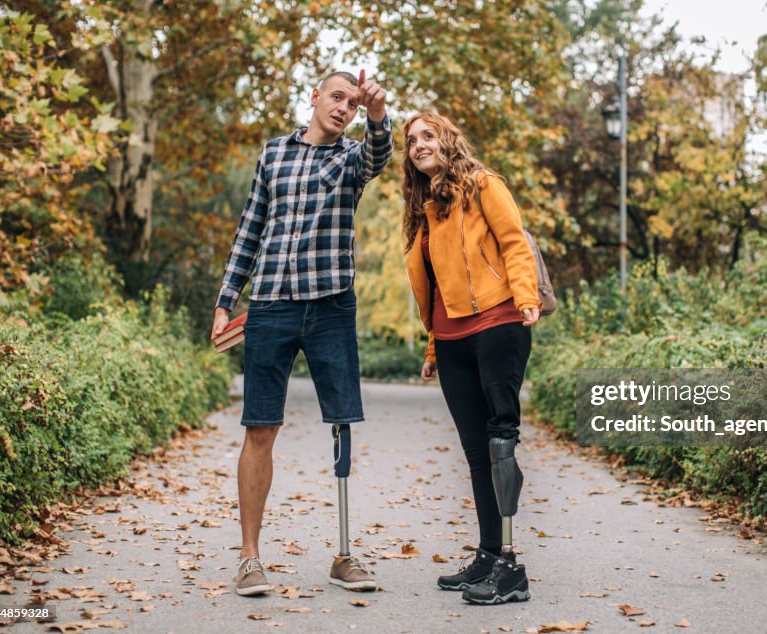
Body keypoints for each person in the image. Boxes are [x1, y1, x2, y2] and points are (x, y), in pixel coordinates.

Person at [212, 70, 390, 596]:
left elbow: (379, 156)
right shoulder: (273, 155)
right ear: (315, 97)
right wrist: (227, 300)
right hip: (270, 304)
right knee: (260, 426)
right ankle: (249, 558)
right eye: (337, 98)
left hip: (331, 304)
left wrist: (378, 115)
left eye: (352, 105)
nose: (343, 109)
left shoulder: (352, 158)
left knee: (341, 423)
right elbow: (250, 228)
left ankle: (344, 554)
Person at [401, 111, 541, 605]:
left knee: (500, 443)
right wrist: (434, 345)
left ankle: (510, 568)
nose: (419, 144)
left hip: (499, 324)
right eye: (411, 139)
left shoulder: (484, 184)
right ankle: (487, 554)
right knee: (476, 452)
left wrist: (526, 297)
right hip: (452, 339)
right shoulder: (426, 212)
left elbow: (514, 243)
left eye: (427, 134)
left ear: (447, 139)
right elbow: (439, 288)